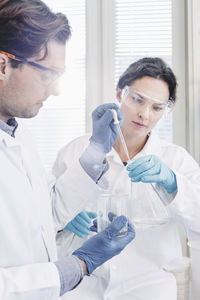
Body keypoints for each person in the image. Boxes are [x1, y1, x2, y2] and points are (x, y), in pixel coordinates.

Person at [0, 1, 135, 299]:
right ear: (3, 65)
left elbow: (47, 211)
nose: (55, 90)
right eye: (46, 74)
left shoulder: (20, 136)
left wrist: (97, 149)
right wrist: (77, 266)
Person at [53, 57, 200, 300]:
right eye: (137, 100)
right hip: (84, 286)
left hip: (149, 287)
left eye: (157, 107)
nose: (144, 114)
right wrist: (64, 222)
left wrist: (173, 183)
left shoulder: (175, 159)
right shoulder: (77, 151)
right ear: (120, 93)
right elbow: (43, 216)